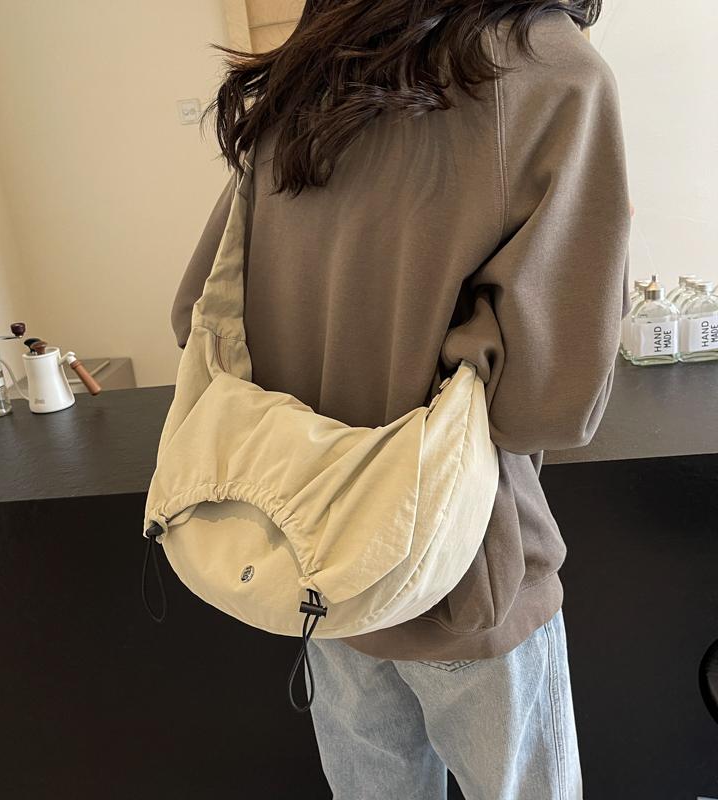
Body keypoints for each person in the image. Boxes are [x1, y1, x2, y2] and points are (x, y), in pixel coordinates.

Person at [171, 1, 631, 798]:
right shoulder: (552, 70)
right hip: (463, 566)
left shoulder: (316, 64)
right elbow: (551, 403)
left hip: (318, 562)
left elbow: (196, 315)